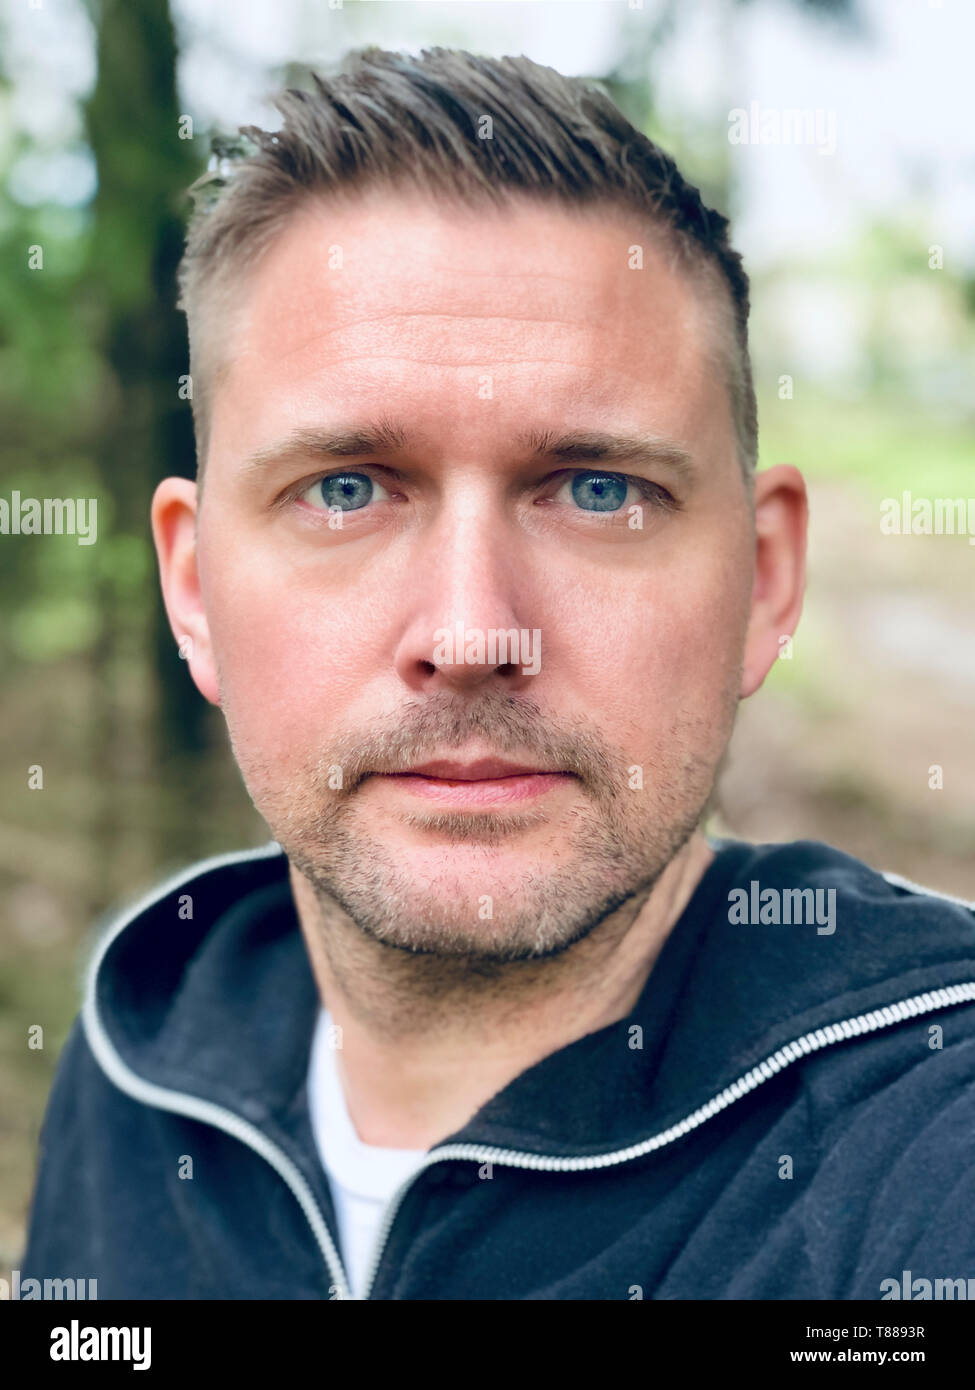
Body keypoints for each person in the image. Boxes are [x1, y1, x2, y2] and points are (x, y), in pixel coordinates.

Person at [21, 46, 975, 1301]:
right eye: (346, 490)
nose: (473, 634)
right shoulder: (143, 1044)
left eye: (598, 491)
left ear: (764, 580)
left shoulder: (921, 1142)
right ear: (194, 590)